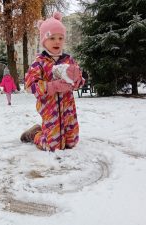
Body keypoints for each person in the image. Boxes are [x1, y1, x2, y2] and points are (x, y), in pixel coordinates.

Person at [20, 12, 84, 151]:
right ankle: (35, 134)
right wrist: (51, 86)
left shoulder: (69, 60)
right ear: (44, 40)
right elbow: (30, 86)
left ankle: (59, 135)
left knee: (72, 142)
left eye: (60, 38)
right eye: (52, 38)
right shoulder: (39, 63)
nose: (57, 41)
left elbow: (78, 83)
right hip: (50, 109)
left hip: (68, 109)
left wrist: (77, 79)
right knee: (53, 146)